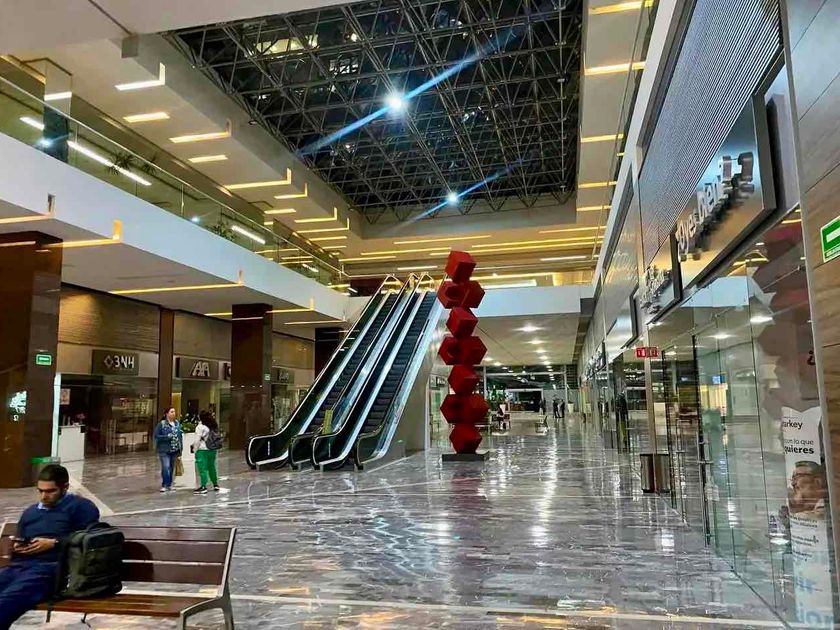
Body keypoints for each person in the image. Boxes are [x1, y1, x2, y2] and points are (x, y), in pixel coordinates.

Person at [0, 465, 99, 628]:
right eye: (40, 491)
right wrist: (18, 545)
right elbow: (21, 537)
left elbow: (90, 539)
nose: (44, 496)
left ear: (65, 487)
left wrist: (55, 542)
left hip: (52, 571)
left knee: (4, 604)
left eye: (50, 491)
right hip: (20, 566)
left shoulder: (81, 507)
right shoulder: (31, 512)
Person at [154, 407, 182, 493]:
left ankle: (170, 484)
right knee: (166, 467)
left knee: (171, 467)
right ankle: (165, 484)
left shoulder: (177, 423)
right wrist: (166, 437)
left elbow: (180, 437)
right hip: (164, 450)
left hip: (174, 449)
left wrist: (180, 449)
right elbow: (156, 436)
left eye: (174, 412)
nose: (173, 413)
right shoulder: (162, 424)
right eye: (171, 412)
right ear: (167, 414)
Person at [194, 411, 221, 495]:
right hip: (212, 450)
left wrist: (195, 450)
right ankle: (215, 484)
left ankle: (203, 486)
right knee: (212, 467)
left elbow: (197, 440)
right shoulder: (213, 426)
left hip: (202, 450)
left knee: (203, 468)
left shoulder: (200, 427)